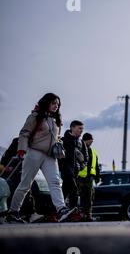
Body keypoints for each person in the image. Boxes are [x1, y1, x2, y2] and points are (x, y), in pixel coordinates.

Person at [5, 93, 78, 223]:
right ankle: (13, 212)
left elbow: (55, 137)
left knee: (55, 182)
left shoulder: (56, 120)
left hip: (50, 155)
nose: (56, 106)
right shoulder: (35, 116)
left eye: (58, 104)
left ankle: (61, 210)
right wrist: (22, 150)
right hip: (34, 152)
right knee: (25, 184)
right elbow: (24, 133)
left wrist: (59, 144)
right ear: (46, 103)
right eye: (53, 103)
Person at [61, 120, 88, 210]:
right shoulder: (64, 140)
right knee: (74, 190)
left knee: (64, 191)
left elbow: (86, 157)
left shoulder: (81, 142)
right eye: (79, 128)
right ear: (72, 128)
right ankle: (73, 209)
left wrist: (83, 165)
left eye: (82, 129)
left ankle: (54, 211)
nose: (81, 131)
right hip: (66, 170)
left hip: (76, 171)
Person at [78, 132, 100, 221]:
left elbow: (96, 166)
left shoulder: (93, 152)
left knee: (89, 198)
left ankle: (88, 216)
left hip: (90, 178)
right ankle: (80, 215)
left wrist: (97, 177)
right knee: (80, 197)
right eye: (90, 141)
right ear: (84, 140)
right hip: (80, 178)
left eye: (92, 141)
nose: (91, 142)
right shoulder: (79, 149)